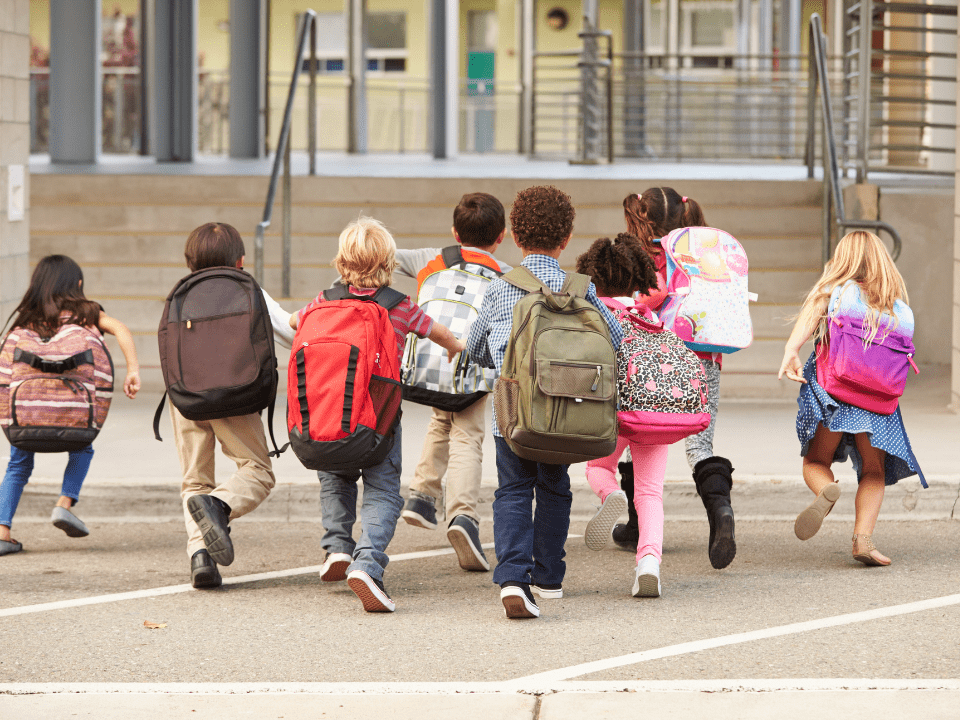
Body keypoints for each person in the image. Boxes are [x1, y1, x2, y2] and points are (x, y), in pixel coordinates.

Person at [466, 186, 624, 618]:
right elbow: (617, 340)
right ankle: (549, 577)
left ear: (515, 236)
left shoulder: (502, 289)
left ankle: (514, 578)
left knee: (513, 489)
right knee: (555, 488)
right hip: (567, 412)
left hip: (513, 415)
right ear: (566, 238)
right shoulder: (582, 290)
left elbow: (476, 347)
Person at [292, 217, 465, 612]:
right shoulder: (399, 307)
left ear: (341, 261)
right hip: (378, 422)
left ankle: (337, 546)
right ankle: (367, 563)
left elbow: (294, 322)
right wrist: (455, 346)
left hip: (329, 417)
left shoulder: (323, 301)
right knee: (383, 489)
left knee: (335, 478)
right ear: (388, 262)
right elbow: (436, 331)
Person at [778, 230, 924, 566]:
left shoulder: (836, 292)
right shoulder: (897, 308)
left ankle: (825, 490)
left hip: (835, 392)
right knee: (874, 470)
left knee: (817, 461)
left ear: (843, 258)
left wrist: (791, 350)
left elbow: (813, 310)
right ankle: (864, 541)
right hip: (878, 401)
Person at [615, 188, 737, 572]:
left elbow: (636, 301)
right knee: (700, 445)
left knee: (641, 434)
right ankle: (720, 511)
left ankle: (638, 526)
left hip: (653, 359)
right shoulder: (702, 257)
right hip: (703, 358)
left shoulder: (638, 259)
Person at [169, 222, 294, 588]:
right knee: (257, 470)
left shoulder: (181, 293)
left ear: (190, 260)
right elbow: (290, 333)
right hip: (235, 396)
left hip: (186, 397)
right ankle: (220, 507)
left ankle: (200, 557)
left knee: (195, 481)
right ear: (240, 260)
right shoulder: (247, 289)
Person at [398, 192, 511, 572]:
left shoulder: (430, 259)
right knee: (467, 437)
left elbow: (383, 255)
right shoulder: (505, 274)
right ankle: (463, 516)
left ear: (454, 231)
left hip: (429, 362)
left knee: (440, 417)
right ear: (501, 236)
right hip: (471, 364)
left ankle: (421, 495)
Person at [0, 255, 141, 556]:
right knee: (83, 447)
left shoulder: (27, 319)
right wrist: (133, 370)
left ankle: (2, 531)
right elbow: (121, 329)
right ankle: (65, 503)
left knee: (18, 464)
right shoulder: (87, 313)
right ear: (77, 284)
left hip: (28, 415)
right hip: (72, 413)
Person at [576, 234, 673, 597]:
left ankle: (610, 494)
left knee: (599, 468)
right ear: (637, 277)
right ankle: (649, 563)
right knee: (650, 492)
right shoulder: (649, 316)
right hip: (652, 414)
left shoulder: (593, 312)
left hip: (609, 411)